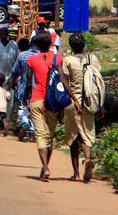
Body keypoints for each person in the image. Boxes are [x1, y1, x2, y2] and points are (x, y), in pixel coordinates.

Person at [24, 32, 79, 181]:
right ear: (51, 44)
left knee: (40, 135)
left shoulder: (31, 59)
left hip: (36, 99)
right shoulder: (57, 58)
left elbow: (29, 83)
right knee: (50, 135)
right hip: (52, 102)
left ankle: (46, 168)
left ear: (36, 45)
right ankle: (45, 167)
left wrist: (24, 99)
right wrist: (74, 99)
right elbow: (62, 80)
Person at [61, 33, 102, 182]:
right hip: (90, 103)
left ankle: (76, 174)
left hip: (74, 103)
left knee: (73, 137)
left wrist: (74, 100)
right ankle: (88, 158)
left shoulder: (67, 60)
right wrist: (100, 105)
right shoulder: (93, 59)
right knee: (86, 134)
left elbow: (65, 83)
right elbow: (98, 82)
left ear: (71, 47)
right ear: (84, 45)